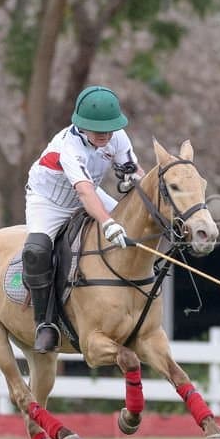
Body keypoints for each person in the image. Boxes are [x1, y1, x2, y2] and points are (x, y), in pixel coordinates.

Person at [22, 85, 142, 351]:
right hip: (49, 201)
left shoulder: (117, 137)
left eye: (109, 129)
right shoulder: (69, 146)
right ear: (81, 125)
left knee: (132, 230)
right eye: (98, 130)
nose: (105, 135)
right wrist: (108, 223)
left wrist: (131, 180)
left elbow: (133, 171)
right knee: (36, 250)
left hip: (88, 190)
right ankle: (45, 323)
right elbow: (86, 194)